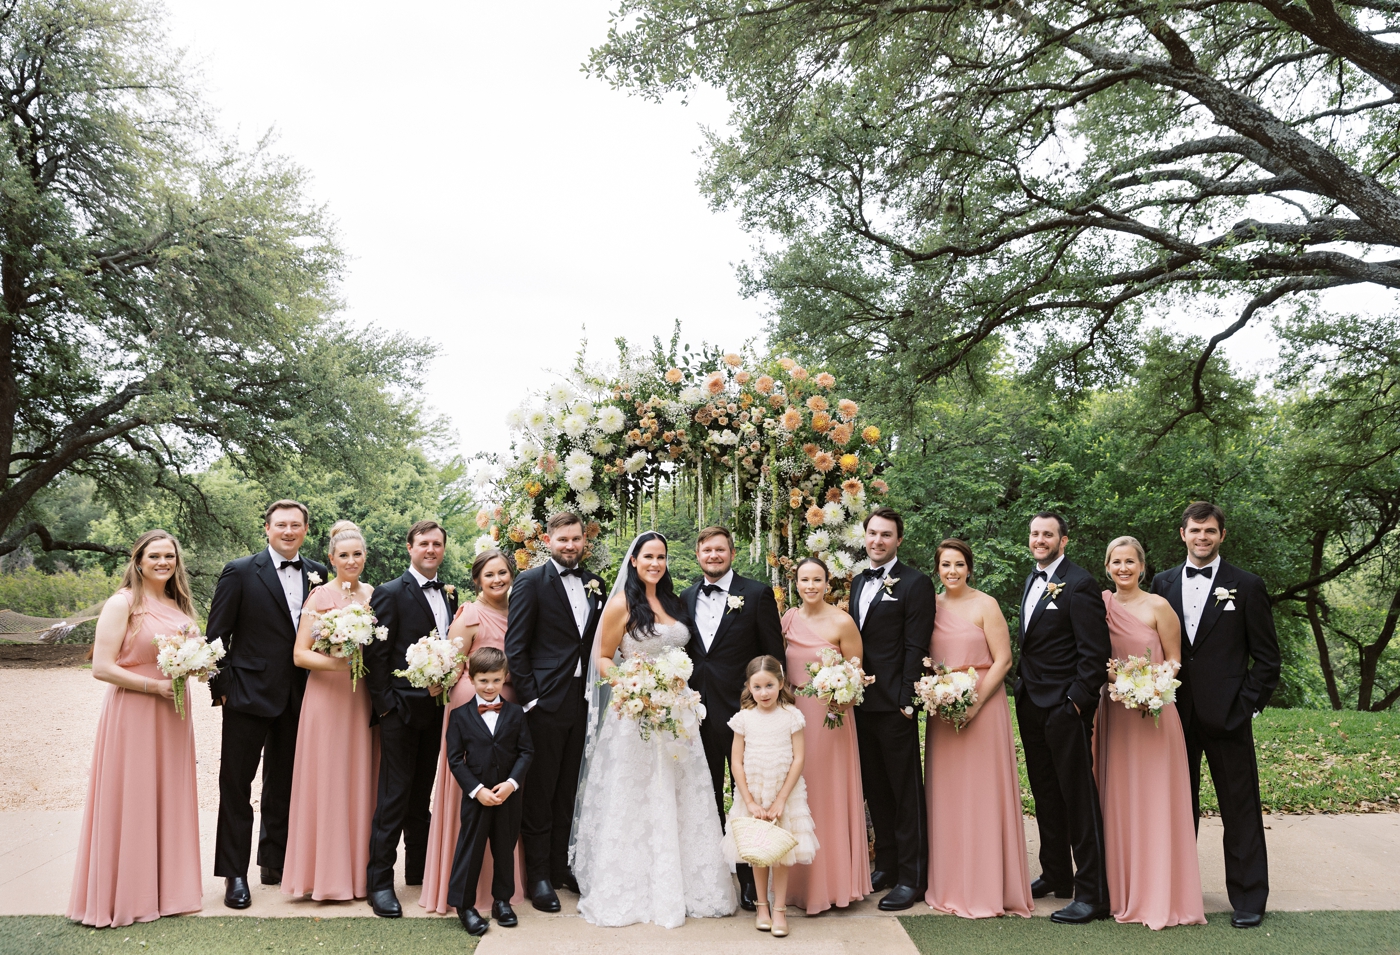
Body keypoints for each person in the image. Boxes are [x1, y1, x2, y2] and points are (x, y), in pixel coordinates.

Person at [570, 531, 736, 928]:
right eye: (648, 556)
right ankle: (633, 884)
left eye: (661, 557)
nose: (655, 563)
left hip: (678, 716)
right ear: (634, 561)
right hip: (636, 715)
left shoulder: (676, 602)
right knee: (636, 795)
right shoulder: (621, 604)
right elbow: (603, 658)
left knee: (682, 795)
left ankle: (689, 883)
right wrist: (633, 684)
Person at [1152, 502, 1281, 929]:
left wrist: (1243, 708)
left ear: (1222, 535)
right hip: (1173, 716)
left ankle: (1248, 897)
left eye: (1210, 531)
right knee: (1177, 807)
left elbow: (1267, 660)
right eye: (1195, 531)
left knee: (1239, 808)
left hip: (1228, 718)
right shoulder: (1162, 582)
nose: (1202, 537)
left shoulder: (1246, 585)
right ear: (1182, 534)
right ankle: (1177, 890)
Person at [67, 530, 204, 928]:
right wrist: (153, 686)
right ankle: (129, 894)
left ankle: (169, 892)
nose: (163, 562)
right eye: (155, 556)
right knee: (135, 797)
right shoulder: (122, 603)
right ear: (139, 560)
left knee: (168, 795)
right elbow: (101, 667)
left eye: (170, 557)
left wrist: (198, 664)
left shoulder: (179, 605)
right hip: (137, 711)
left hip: (174, 714)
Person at [207, 500, 329, 909]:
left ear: (306, 530)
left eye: (296, 525)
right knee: (237, 784)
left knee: (285, 782)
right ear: (267, 528)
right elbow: (216, 637)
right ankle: (234, 874)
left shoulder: (318, 573)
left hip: (301, 694)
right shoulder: (240, 571)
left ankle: (274, 863)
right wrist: (220, 689)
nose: (289, 531)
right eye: (281, 525)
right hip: (246, 694)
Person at [1097, 536, 1205, 929]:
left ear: (1142, 566)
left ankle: (1161, 891)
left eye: (1130, 561)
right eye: (1116, 562)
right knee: (1119, 798)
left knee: (1155, 800)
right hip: (1116, 712)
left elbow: (1175, 660)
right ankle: (1119, 889)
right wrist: (1125, 683)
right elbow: (1096, 656)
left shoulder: (1160, 606)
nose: (1123, 568)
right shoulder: (1101, 605)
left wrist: (1153, 688)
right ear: (1107, 566)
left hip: (1156, 713)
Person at [502, 511, 606, 912]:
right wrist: (531, 700)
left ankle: (564, 866)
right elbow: (517, 646)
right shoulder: (529, 582)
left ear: (584, 541)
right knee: (541, 791)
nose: (570, 545)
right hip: (545, 702)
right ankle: (538, 876)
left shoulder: (595, 583)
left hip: (585, 701)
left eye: (576, 539)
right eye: (562, 539)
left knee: (569, 789)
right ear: (548, 540)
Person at [922, 539, 1032, 918]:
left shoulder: (986, 605)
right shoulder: (931, 606)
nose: (951, 571)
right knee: (948, 797)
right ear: (937, 569)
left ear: (969, 567)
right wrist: (938, 693)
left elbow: (1003, 660)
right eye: (945, 565)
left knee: (983, 795)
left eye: (958, 564)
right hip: (943, 712)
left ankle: (988, 885)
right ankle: (950, 882)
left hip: (982, 709)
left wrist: (974, 704)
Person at [679, 525, 784, 910]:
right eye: (707, 550)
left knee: (749, 797)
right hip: (696, 716)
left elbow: (774, 656)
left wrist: (772, 706)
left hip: (744, 715)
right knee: (704, 797)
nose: (713, 556)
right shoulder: (685, 597)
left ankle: (750, 882)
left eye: (720, 550)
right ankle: (707, 876)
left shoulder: (756, 594)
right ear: (698, 554)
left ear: (732, 553)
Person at [1014, 511, 1111, 924]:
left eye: (1047, 534)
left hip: (1063, 707)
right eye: (1035, 533)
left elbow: (1094, 653)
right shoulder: (1031, 579)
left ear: (1063, 540)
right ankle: (1057, 874)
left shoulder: (1081, 584)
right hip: (1030, 703)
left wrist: (1074, 702)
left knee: (1077, 798)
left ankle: (1093, 894)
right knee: (1046, 792)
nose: (1040, 539)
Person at [422, 548, 526, 915]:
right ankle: (464, 893)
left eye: (503, 573)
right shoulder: (469, 614)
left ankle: (500, 893)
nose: (497, 580)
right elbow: (451, 664)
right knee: (471, 799)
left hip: (511, 710)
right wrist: (436, 681)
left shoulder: (518, 609)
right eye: (489, 575)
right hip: (472, 705)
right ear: (477, 580)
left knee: (506, 798)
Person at [281, 520, 380, 902]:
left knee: (360, 778)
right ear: (331, 558)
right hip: (327, 698)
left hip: (362, 700)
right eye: (344, 555)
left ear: (365, 556)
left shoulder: (374, 594)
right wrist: (344, 664)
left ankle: (359, 874)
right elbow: (299, 653)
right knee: (327, 780)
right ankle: (321, 875)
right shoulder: (319, 596)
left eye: (357, 554)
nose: (351, 560)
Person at [364, 519, 459, 918]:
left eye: (437, 544)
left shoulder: (450, 595)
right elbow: (374, 654)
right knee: (394, 796)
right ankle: (379, 883)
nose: (431, 550)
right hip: (400, 713)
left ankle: (418, 872)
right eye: (424, 544)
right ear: (409, 547)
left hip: (437, 713)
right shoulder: (388, 593)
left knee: (423, 795)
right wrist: (388, 707)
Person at [847, 506, 936, 911]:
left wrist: (908, 701)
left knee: (904, 791)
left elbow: (916, 645)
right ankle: (885, 863)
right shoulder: (856, 581)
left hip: (895, 704)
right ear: (864, 536)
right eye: (873, 534)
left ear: (898, 540)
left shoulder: (916, 583)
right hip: (860, 703)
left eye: (886, 535)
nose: (878, 541)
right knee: (875, 788)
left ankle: (913, 877)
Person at [782, 556, 872, 915]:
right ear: (797, 583)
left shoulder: (842, 621)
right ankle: (799, 884)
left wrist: (840, 696)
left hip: (832, 717)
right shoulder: (788, 618)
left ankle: (835, 884)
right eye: (804, 580)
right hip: (794, 716)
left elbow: (856, 672)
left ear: (827, 582)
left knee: (828, 794)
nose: (810, 586)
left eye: (817, 579)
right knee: (800, 792)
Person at [722, 656, 818, 938]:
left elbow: (799, 758)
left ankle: (779, 910)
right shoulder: (743, 719)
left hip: (783, 792)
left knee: (781, 853)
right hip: (753, 790)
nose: (764, 693)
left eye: (769, 685)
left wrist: (781, 799)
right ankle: (761, 907)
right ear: (749, 687)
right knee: (758, 851)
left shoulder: (791, 716)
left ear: (781, 683)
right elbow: (736, 761)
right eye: (757, 686)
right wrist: (749, 800)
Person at [445, 647, 535, 937]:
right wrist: (477, 789)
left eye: (496, 680)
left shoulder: (515, 713)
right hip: (477, 797)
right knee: (469, 851)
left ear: (505, 678)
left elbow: (526, 752)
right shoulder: (459, 716)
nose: (489, 687)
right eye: (483, 680)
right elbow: (455, 759)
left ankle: (502, 901)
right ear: (471, 679)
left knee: (505, 849)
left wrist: (511, 784)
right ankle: (464, 907)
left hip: (508, 795)